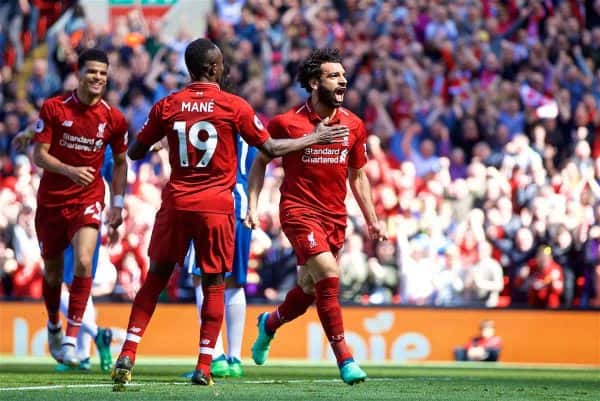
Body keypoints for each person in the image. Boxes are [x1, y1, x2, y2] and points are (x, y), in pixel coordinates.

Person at [112, 38, 348, 388]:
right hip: (216, 207)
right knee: (215, 284)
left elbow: (133, 152)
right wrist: (313, 139)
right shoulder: (232, 106)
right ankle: (205, 365)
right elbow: (269, 147)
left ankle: (127, 354)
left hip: (176, 202)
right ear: (213, 69)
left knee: (155, 279)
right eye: (220, 64)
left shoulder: (167, 105)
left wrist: (161, 140)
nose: (223, 69)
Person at [245, 48, 386, 385]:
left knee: (309, 290)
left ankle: (270, 324)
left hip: (335, 217)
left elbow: (358, 175)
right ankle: (346, 360)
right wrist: (252, 204)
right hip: (298, 211)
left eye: (343, 75)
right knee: (328, 273)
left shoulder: (353, 124)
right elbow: (261, 162)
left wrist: (372, 218)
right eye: (334, 75)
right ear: (313, 82)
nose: (343, 80)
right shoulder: (286, 122)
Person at [32, 48, 128, 368]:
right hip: (51, 202)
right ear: (79, 74)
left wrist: (117, 203)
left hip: (88, 198)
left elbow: (121, 163)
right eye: (92, 72)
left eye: (103, 72)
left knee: (85, 262)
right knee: (53, 273)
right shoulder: (54, 108)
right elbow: (39, 155)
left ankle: (73, 338)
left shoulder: (114, 118)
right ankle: (54, 325)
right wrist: (70, 170)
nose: (98, 77)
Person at [12, 133, 115, 373]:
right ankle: (83, 351)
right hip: (74, 213)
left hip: (79, 213)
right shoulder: (78, 127)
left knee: (68, 282)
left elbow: (113, 171)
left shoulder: (100, 135)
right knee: (74, 283)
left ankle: (92, 338)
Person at [187, 134, 258, 378]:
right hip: (243, 205)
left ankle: (215, 355)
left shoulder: (209, 118)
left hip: (212, 204)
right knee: (234, 283)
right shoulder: (250, 124)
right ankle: (235, 359)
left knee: (202, 278)